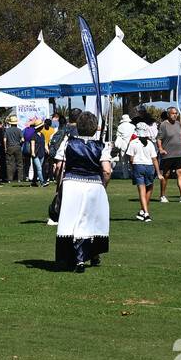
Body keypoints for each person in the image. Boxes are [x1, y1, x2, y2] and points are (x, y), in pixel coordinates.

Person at [54, 111, 114, 272]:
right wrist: (103, 185)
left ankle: (76, 258)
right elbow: (107, 170)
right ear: (95, 128)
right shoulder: (102, 146)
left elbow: (59, 166)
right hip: (95, 185)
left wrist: (58, 185)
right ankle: (92, 255)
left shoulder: (67, 143)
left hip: (71, 184)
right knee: (92, 221)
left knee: (72, 221)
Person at [156, 106, 181, 203]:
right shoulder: (163, 125)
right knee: (166, 175)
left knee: (180, 173)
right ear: (168, 114)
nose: (175, 115)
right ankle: (162, 196)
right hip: (167, 154)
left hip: (179, 153)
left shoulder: (178, 124)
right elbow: (159, 139)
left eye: (176, 113)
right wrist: (161, 149)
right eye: (173, 113)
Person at [126, 121, 159, 221]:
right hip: (149, 167)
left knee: (141, 190)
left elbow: (131, 159)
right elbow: (154, 159)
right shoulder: (150, 144)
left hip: (138, 166)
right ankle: (144, 211)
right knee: (149, 188)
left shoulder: (133, 143)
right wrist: (158, 173)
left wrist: (132, 169)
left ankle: (145, 212)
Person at [4, 115, 25, 182]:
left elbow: (4, 140)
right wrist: (20, 145)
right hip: (17, 147)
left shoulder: (7, 130)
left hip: (9, 147)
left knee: (9, 164)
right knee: (19, 163)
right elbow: (22, 139)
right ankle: (19, 179)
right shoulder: (19, 130)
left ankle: (9, 179)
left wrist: (5, 148)